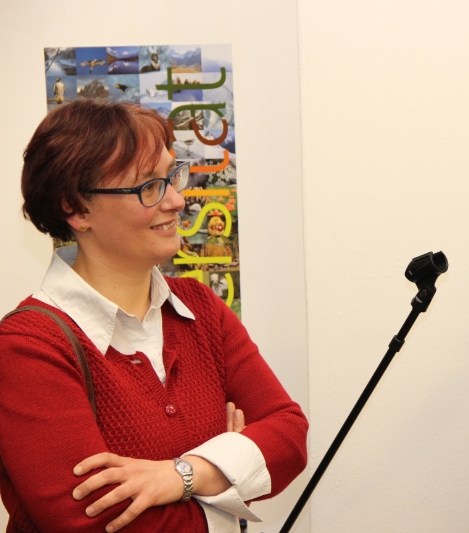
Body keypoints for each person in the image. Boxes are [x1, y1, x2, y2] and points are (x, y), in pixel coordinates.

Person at [0, 100, 308, 532]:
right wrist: (230, 478)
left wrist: (181, 475)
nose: (177, 201)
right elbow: (96, 522)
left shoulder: (200, 307)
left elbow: (289, 437)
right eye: (149, 186)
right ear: (77, 209)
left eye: (171, 176)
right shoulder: (27, 348)